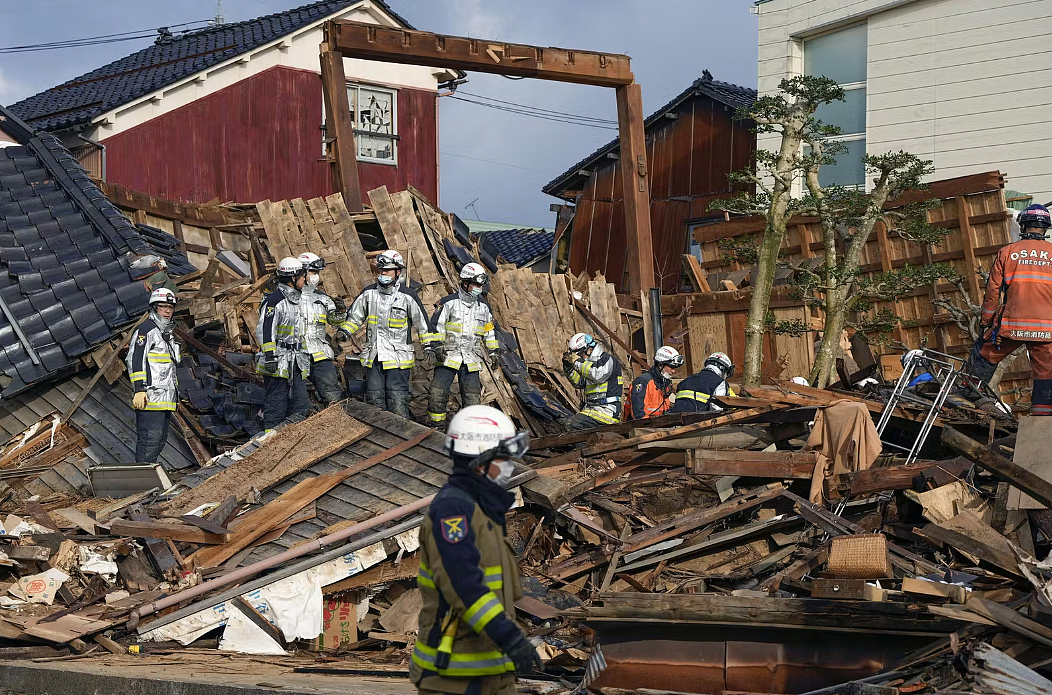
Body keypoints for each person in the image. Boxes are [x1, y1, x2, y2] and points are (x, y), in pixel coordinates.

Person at [411, 405, 541, 694]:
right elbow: (464, 585)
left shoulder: (483, 508)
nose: (508, 466)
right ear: (481, 461)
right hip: (454, 676)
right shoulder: (453, 510)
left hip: (492, 670)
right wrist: (509, 637)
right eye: (503, 458)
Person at [967, 203, 1052, 415]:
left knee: (983, 355)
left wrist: (986, 322)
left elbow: (992, 293)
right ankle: (1042, 413)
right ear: (1045, 228)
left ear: (1023, 225)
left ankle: (970, 396)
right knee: (1046, 371)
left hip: (1011, 326)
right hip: (1046, 329)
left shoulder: (1007, 252)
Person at [345, 250, 438, 418]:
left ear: (398, 272)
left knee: (397, 399)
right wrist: (344, 332)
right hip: (374, 356)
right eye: (381, 271)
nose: (383, 274)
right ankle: (379, 436)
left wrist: (429, 347)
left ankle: (402, 436)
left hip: (398, 359)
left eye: (387, 270)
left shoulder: (408, 296)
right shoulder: (369, 293)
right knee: (374, 398)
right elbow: (354, 318)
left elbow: (422, 324)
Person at [427, 263, 501, 427]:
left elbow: (489, 331)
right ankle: (436, 429)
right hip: (447, 356)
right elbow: (436, 327)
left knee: (472, 398)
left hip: (472, 359)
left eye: (480, 285)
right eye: (475, 284)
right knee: (437, 393)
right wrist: (437, 345)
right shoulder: (448, 303)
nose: (478, 289)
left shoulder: (484, 308)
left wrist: (494, 351)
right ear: (465, 283)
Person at [127, 288, 181, 463]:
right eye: (163, 307)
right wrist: (139, 389)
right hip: (149, 398)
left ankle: (148, 480)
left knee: (158, 441)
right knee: (149, 442)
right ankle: (142, 483)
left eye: (170, 308)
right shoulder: (146, 330)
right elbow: (135, 359)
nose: (167, 311)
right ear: (154, 307)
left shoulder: (166, 334)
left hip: (164, 399)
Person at [256, 257, 310, 429]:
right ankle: (271, 444)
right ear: (293, 278)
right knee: (276, 406)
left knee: (300, 405)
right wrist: (270, 357)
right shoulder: (274, 302)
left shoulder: (299, 300)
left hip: (297, 361)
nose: (305, 280)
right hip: (278, 363)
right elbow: (265, 331)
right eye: (302, 276)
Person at [297, 251, 352, 406]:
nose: (316, 276)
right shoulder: (288, 297)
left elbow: (335, 322)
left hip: (320, 354)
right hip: (296, 355)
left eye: (317, 273)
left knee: (332, 395)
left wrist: (341, 312)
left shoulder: (322, 298)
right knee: (297, 398)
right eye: (313, 272)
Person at [560, 333, 624, 430]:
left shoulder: (607, 360)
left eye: (580, 354)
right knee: (564, 422)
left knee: (572, 424)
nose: (580, 358)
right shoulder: (589, 366)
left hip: (607, 411)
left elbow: (597, 374)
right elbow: (579, 383)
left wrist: (577, 362)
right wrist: (569, 369)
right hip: (593, 409)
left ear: (589, 349)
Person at [626, 345, 682, 420]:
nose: (673, 371)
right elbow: (639, 414)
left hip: (658, 425)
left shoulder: (664, 384)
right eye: (671, 367)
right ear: (660, 365)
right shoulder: (643, 382)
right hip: (641, 428)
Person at [670, 351, 736, 413]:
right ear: (723, 369)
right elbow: (717, 411)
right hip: (699, 422)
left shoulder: (685, 381)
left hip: (676, 420)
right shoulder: (720, 383)